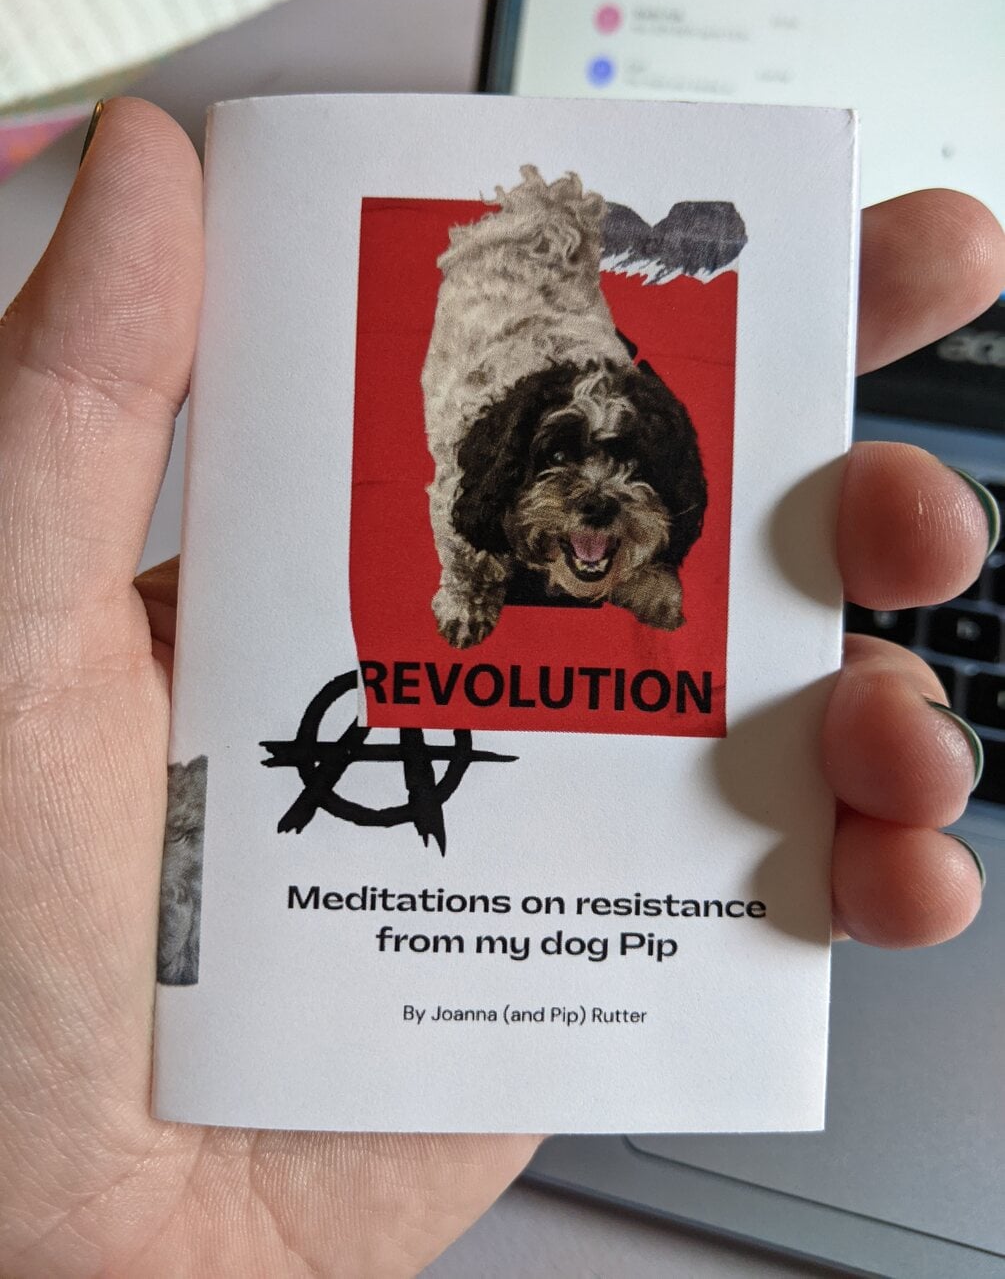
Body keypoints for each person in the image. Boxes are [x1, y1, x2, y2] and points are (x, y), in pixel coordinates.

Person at [0, 97, 1001, 1278]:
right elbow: (462, 503)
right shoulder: (477, 441)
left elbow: (650, 493)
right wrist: (470, 584)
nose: (600, 494)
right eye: (569, 461)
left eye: (628, 469)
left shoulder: (647, 452)